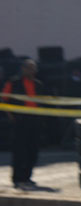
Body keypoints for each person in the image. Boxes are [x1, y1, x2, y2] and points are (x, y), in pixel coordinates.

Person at [1, 59, 46, 189]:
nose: (31, 71)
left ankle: (27, 176)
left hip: (34, 121)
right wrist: (11, 116)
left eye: (33, 68)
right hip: (20, 121)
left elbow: (42, 102)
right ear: (23, 69)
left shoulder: (38, 84)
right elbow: (4, 99)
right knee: (20, 151)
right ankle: (17, 178)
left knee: (33, 150)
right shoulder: (14, 83)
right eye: (29, 68)